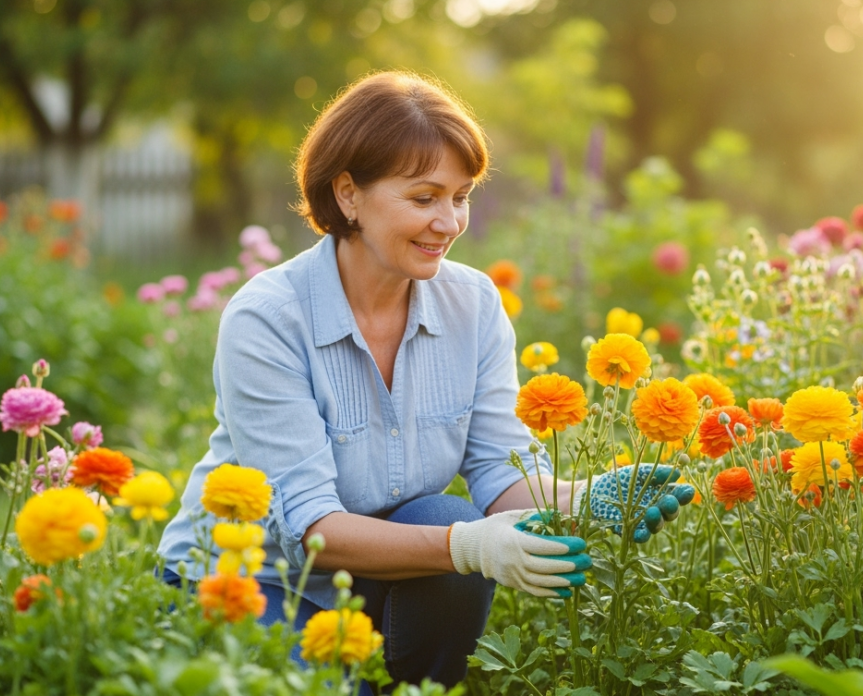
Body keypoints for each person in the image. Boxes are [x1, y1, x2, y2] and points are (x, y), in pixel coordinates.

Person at [156, 71, 691, 691]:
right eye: (423, 197)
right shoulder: (269, 317)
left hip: (381, 577)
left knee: (446, 511)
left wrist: (583, 498)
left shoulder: (474, 304)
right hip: (254, 580)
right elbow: (312, 530)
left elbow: (499, 470)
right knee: (332, 668)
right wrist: (470, 546)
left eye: (460, 196)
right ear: (349, 194)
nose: (449, 222)